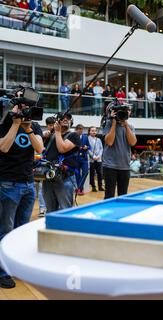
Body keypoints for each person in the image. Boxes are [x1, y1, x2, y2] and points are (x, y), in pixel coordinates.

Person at [0, 93, 44, 289]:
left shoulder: (32, 125)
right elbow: (3, 147)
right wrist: (15, 124)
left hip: (28, 184)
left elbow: (40, 148)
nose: (25, 110)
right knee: (5, 230)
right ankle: (2, 272)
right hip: (7, 183)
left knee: (19, 230)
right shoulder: (4, 121)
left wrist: (27, 129)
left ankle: (15, 267)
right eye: (22, 106)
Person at [42, 112, 80, 212]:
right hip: (49, 176)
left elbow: (62, 149)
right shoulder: (51, 135)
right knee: (50, 210)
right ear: (57, 121)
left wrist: (57, 132)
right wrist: (45, 136)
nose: (66, 119)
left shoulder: (74, 135)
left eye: (68, 118)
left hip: (64, 178)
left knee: (65, 210)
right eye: (63, 118)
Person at [102, 103, 137, 199]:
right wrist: (113, 123)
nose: (126, 113)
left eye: (128, 111)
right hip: (110, 165)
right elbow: (109, 142)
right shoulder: (108, 123)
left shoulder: (130, 126)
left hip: (125, 166)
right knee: (109, 195)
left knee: (123, 196)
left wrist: (125, 125)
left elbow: (133, 142)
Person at [74, 124, 90, 196]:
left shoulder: (85, 137)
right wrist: (78, 148)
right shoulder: (73, 136)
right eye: (79, 129)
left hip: (84, 158)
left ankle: (78, 188)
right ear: (76, 130)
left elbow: (89, 146)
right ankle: (80, 190)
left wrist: (87, 147)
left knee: (85, 172)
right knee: (77, 174)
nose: (81, 131)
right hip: (76, 159)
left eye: (82, 129)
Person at [87, 126, 103, 192]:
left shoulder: (98, 139)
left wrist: (99, 156)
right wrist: (93, 156)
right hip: (91, 159)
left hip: (99, 159)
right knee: (92, 173)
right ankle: (93, 186)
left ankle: (100, 186)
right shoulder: (87, 139)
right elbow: (88, 149)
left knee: (100, 173)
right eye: (92, 131)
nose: (94, 132)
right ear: (89, 131)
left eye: (95, 131)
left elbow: (101, 148)